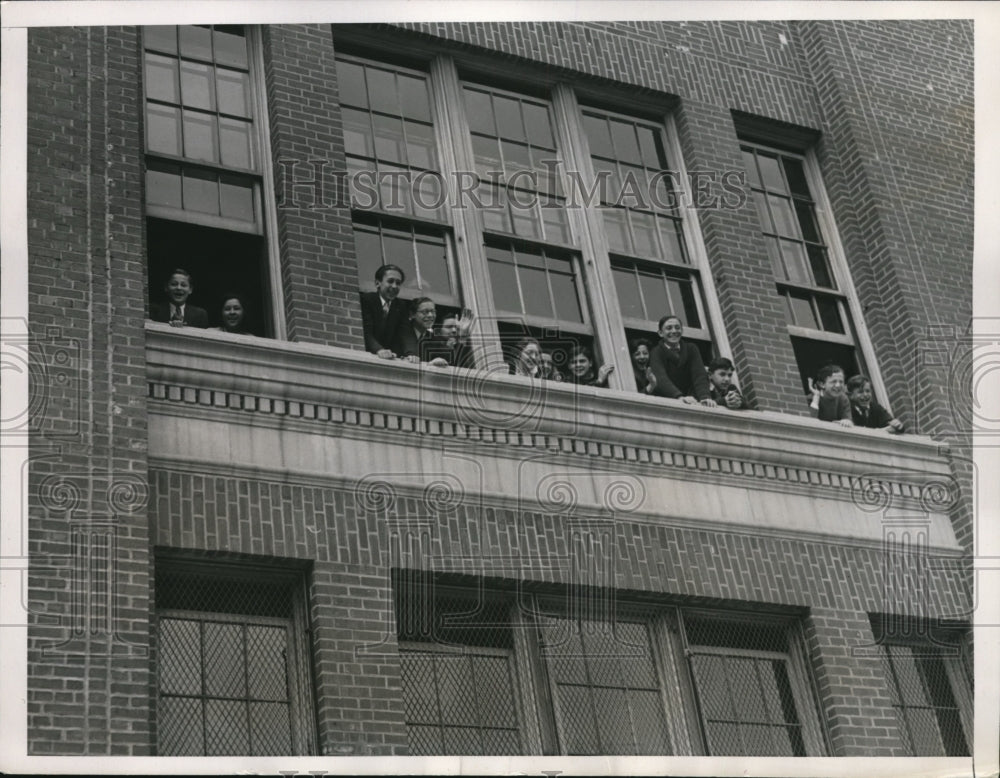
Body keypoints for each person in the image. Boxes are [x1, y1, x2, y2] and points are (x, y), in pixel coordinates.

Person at [647, 315, 715, 406]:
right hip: (669, 401)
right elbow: (661, 378)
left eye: (677, 327)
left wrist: (705, 397)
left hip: (693, 400)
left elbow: (699, 375)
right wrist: (679, 396)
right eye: (669, 328)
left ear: (682, 331)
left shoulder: (691, 348)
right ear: (661, 333)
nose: (674, 331)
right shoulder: (656, 352)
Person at [359, 264, 407, 359]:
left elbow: (406, 334)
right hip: (367, 355)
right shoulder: (367, 300)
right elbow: (366, 331)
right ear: (378, 283)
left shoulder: (400, 306)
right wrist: (379, 349)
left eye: (398, 283)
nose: (394, 286)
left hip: (389, 357)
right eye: (390, 281)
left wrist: (410, 354)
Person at [397, 297, 441, 363]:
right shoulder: (400, 332)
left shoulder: (434, 340)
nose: (430, 315)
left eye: (433, 311)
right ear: (412, 314)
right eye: (425, 312)